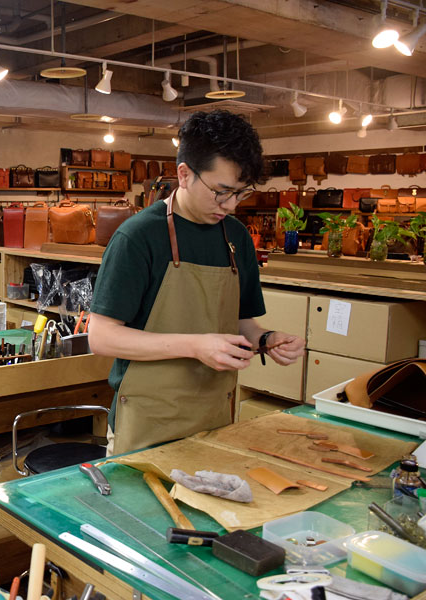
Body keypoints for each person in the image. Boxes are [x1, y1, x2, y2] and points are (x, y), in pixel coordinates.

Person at [88, 110, 305, 455]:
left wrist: (266, 339)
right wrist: (195, 346)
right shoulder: (139, 236)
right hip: (146, 423)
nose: (231, 206)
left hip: (215, 420)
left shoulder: (236, 238)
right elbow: (101, 337)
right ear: (185, 175)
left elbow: (240, 321)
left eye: (240, 193)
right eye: (221, 192)